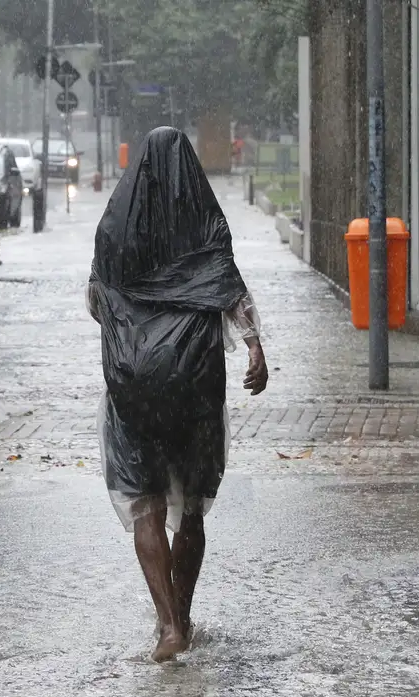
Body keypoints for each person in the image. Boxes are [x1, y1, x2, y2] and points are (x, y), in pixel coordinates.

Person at [86, 126, 268, 663]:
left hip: (135, 390)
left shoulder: (117, 230)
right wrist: (255, 348)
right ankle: (184, 612)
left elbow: (97, 300)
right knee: (190, 511)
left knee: (145, 505)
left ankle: (168, 627)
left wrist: (140, 326)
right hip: (195, 387)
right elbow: (231, 291)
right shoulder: (204, 223)